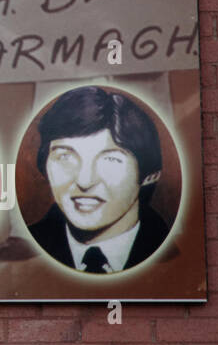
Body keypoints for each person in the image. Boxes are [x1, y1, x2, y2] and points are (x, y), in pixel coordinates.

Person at [26, 86, 170, 274]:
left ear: (150, 175)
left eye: (110, 160)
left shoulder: (175, 253)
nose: (84, 181)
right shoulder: (23, 248)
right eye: (65, 157)